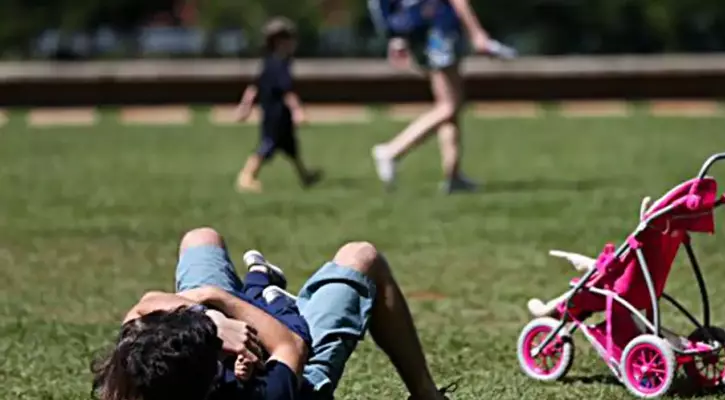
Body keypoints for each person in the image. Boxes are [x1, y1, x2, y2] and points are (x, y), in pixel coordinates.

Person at [91, 227, 452, 400]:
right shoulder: (262, 397)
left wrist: (213, 322)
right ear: (211, 374)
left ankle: (261, 287)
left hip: (229, 343)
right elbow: (289, 344)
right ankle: (426, 395)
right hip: (295, 367)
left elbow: (144, 305)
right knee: (362, 257)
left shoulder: (133, 380)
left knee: (201, 239)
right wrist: (217, 301)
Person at [367, 0, 506, 193]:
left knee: (449, 105)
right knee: (449, 106)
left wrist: (394, 38)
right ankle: (392, 151)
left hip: (420, 31)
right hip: (439, 28)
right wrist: (477, 33)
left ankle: (454, 176)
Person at [235, 17, 321, 193]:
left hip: (277, 114)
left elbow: (253, 87)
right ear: (279, 42)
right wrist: (298, 111)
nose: (293, 43)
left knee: (291, 147)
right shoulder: (279, 64)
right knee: (267, 146)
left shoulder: (269, 62)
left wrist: (245, 107)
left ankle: (305, 176)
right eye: (290, 39)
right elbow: (287, 91)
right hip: (276, 114)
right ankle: (246, 176)